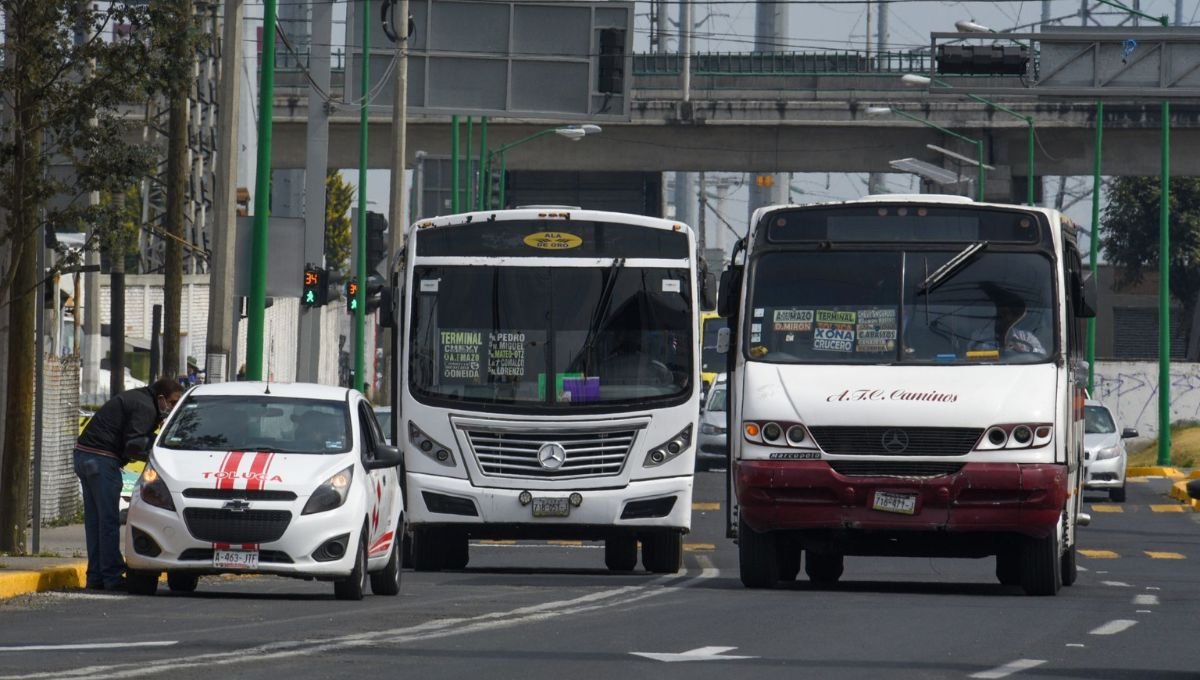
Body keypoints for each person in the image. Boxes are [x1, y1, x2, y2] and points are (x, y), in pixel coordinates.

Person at [74, 376, 184, 591]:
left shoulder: (138, 399)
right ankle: (112, 577)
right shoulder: (146, 408)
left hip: (84, 456)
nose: (173, 407)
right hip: (102, 460)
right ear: (161, 398)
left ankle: (96, 577)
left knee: (96, 522)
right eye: (172, 402)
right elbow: (134, 444)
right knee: (108, 522)